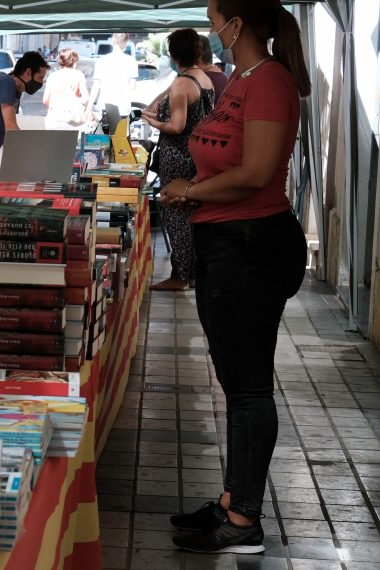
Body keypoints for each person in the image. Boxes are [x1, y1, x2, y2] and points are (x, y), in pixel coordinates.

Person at [162, 0, 311, 554]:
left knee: (248, 387)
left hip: (252, 244)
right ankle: (233, 500)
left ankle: (244, 521)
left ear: (236, 23)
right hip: (224, 241)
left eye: (212, 19)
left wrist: (190, 190)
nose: (210, 29)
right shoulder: (240, 81)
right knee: (235, 380)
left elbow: (255, 172)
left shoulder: (268, 81)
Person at [142, 29, 215, 292]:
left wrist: (153, 122)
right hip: (196, 154)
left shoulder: (182, 84)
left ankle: (181, 275)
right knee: (190, 213)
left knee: (175, 214)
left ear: (173, 55)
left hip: (178, 155)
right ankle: (191, 272)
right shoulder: (201, 78)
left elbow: (176, 126)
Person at [42, 48, 90, 130]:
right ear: (74, 61)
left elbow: (45, 100)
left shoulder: (52, 76)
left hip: (53, 119)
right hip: (72, 120)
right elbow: (86, 99)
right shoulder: (78, 75)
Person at [91, 33, 139, 115]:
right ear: (126, 42)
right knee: (121, 124)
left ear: (112, 41)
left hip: (104, 105)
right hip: (123, 107)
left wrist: (89, 107)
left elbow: (96, 86)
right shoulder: (131, 61)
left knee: (105, 123)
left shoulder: (101, 61)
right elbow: (133, 86)